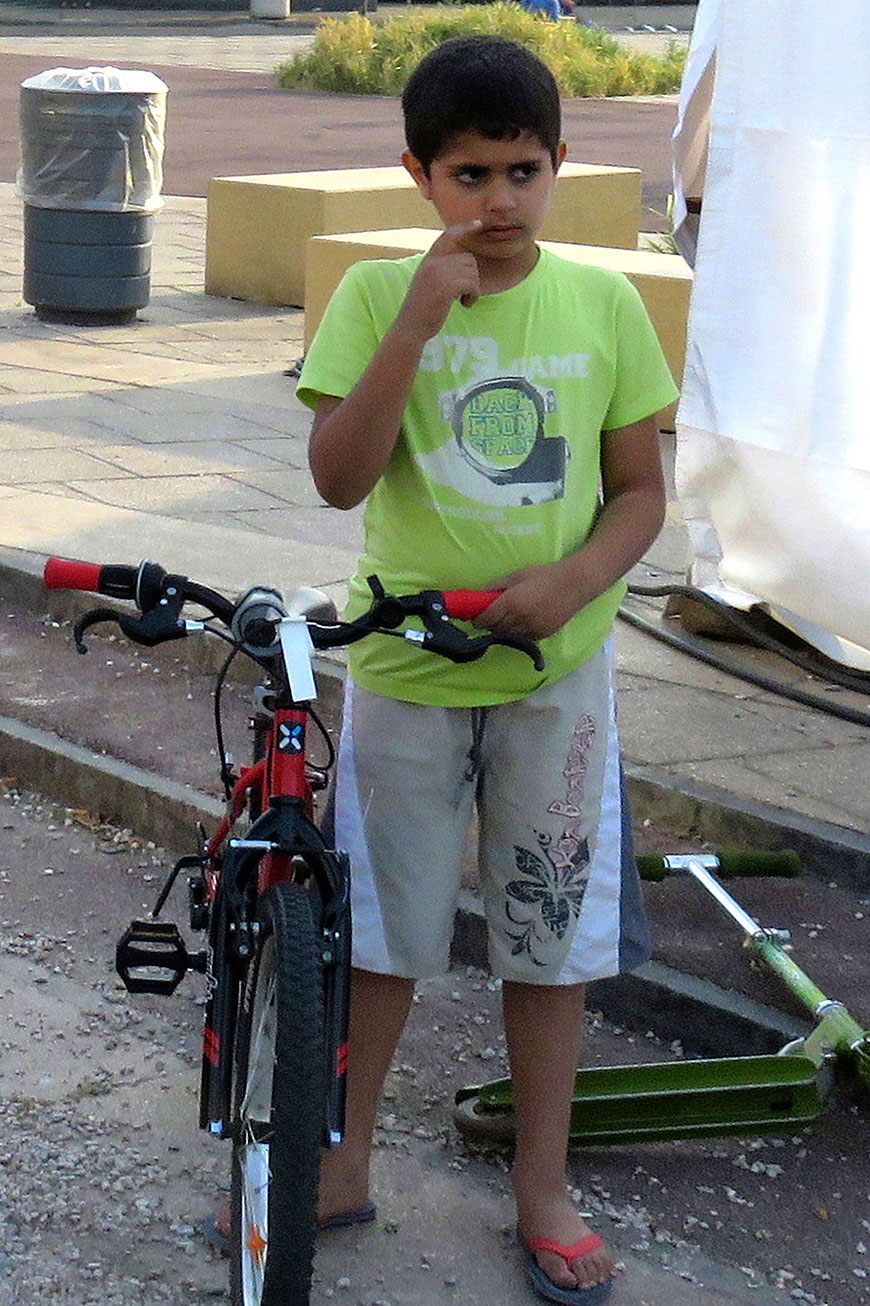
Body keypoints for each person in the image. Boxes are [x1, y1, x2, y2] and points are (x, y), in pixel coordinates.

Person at [297, 35, 679, 1306]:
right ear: (419, 174)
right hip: (407, 670)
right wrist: (416, 310)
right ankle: (343, 1164)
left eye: (524, 171)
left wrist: (570, 587)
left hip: (555, 677)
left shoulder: (604, 304)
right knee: (381, 933)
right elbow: (341, 475)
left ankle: (543, 1188)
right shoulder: (366, 300)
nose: (498, 203)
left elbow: (638, 497)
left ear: (562, 162)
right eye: (469, 176)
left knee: (552, 937)